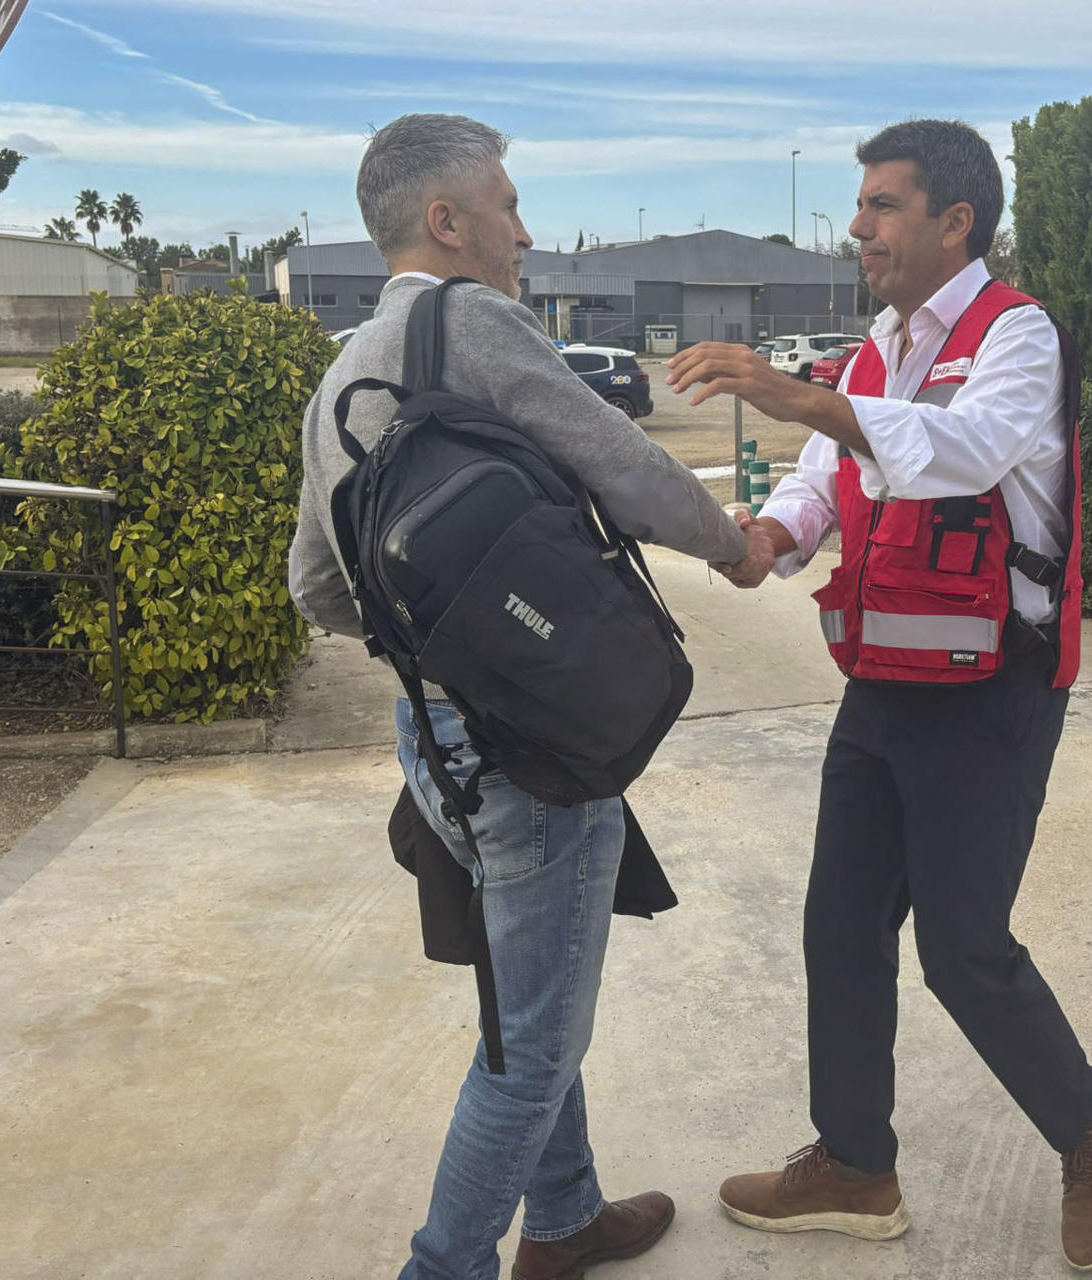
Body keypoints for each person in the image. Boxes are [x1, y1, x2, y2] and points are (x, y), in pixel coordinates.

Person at [287, 113, 765, 1280]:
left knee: (526, 990)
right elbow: (631, 468)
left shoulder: (342, 379)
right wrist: (736, 548)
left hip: (432, 741)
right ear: (445, 222)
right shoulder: (475, 326)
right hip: (530, 750)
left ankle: (563, 1219)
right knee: (532, 1045)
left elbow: (316, 586)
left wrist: (442, 657)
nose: (525, 228)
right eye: (506, 203)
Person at [667, 119, 1092, 1274]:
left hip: (993, 690)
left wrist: (799, 397)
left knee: (964, 948)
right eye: (861, 204)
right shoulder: (876, 349)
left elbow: (964, 451)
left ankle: (1085, 1120)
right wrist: (769, 534)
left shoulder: (1019, 336)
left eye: (882, 204)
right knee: (840, 923)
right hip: (882, 681)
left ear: (954, 220)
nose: (859, 226)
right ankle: (855, 1161)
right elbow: (831, 484)